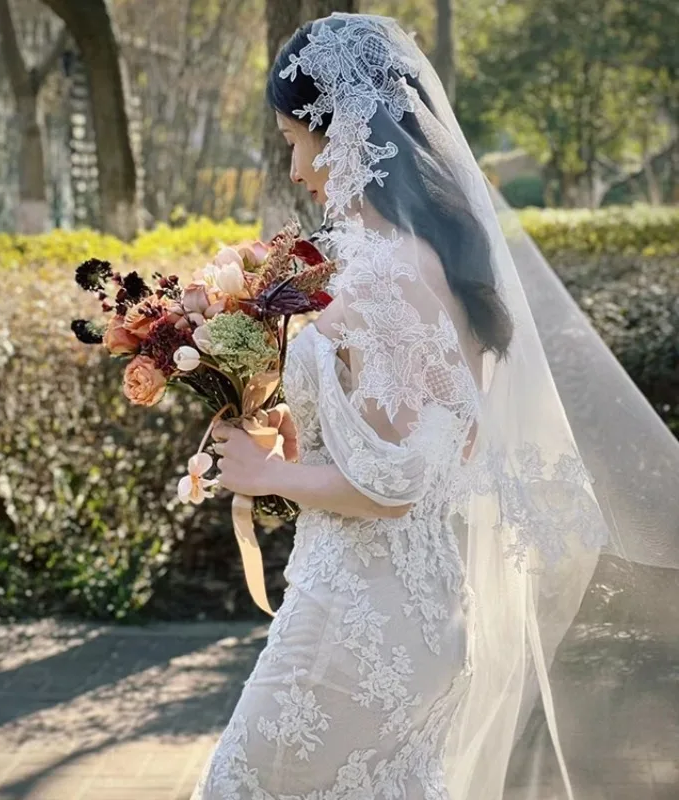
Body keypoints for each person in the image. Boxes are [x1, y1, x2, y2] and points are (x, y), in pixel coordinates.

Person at [192, 13, 679, 800]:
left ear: (339, 130)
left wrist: (265, 476)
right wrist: (296, 441)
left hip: (353, 627)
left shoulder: (377, 274)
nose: (294, 169)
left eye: (293, 140)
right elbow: (422, 441)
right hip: (421, 622)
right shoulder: (441, 262)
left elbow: (396, 484)